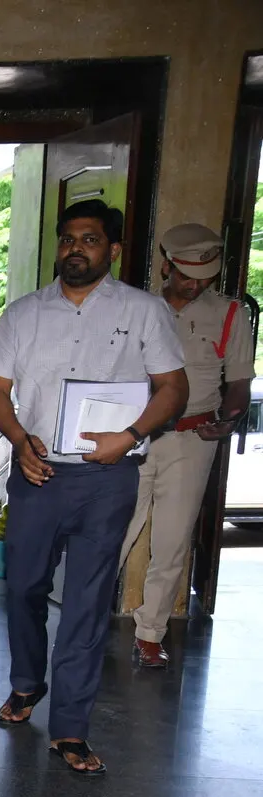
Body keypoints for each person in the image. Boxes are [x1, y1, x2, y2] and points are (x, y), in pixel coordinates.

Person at [0, 199, 186, 776]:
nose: (76, 248)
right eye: (68, 239)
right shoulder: (24, 313)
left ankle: (70, 727)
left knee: (87, 602)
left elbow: (173, 388)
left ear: (113, 249)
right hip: (38, 472)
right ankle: (28, 682)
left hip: (107, 477)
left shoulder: (143, 311)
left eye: (90, 239)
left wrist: (131, 435)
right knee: (23, 586)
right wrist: (19, 440)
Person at [118, 223, 255, 668]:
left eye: (204, 278)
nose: (195, 285)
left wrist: (229, 419)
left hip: (193, 440)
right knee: (113, 532)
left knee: (173, 541)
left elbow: (238, 382)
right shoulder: (134, 307)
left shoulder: (231, 314)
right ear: (167, 266)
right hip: (133, 435)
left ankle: (151, 634)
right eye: (186, 276)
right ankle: (86, 622)